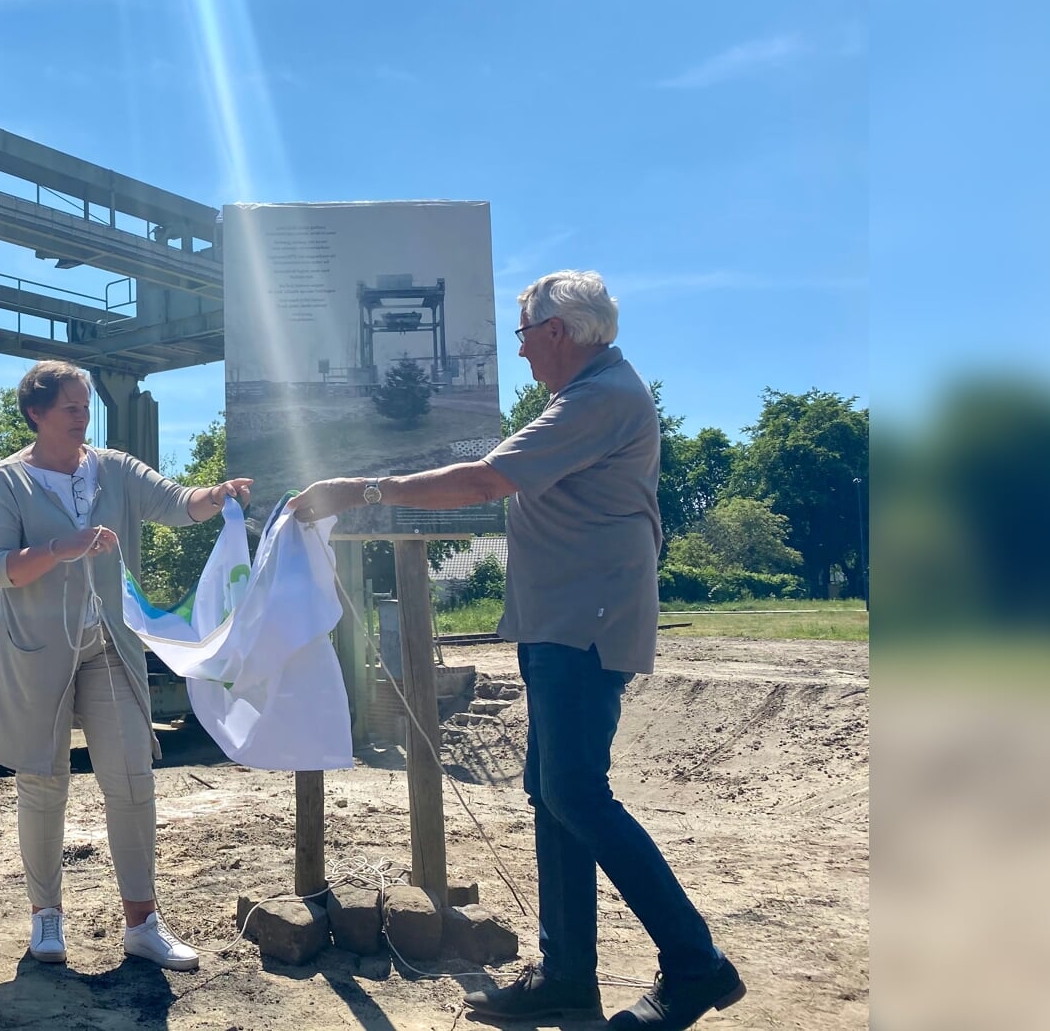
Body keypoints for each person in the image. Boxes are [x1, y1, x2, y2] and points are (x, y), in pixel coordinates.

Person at [289, 271, 743, 1030]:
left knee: (574, 791)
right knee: (552, 791)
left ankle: (696, 965)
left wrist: (361, 490)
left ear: (558, 331)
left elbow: (484, 481)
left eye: (526, 333)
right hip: (561, 619)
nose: (522, 349)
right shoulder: (590, 393)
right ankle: (567, 976)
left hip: (584, 622)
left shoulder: (600, 398)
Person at [0, 360, 251, 970]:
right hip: (35, 653)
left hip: (110, 647)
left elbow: (179, 504)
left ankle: (143, 924)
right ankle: (46, 920)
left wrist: (218, 495)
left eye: (85, 406)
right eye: (71, 407)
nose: (83, 416)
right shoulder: (9, 480)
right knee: (43, 783)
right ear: (37, 414)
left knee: (131, 778)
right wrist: (59, 548)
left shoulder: (117, 469)